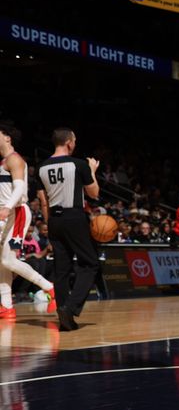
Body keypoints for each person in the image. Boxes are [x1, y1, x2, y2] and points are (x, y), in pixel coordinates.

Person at [36, 127, 101, 331]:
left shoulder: (42, 166)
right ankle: (70, 308)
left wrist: (51, 224)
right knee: (90, 263)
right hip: (74, 216)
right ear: (69, 143)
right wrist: (92, 170)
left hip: (54, 219)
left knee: (61, 269)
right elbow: (94, 194)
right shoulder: (78, 164)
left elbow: (42, 201)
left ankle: (64, 317)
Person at [0, 123, 56, 319]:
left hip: (17, 212)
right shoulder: (4, 161)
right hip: (7, 213)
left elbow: (18, 188)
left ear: (7, 137)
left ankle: (49, 288)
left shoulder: (15, 160)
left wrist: (7, 207)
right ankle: (6, 306)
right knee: (2, 263)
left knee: (8, 260)